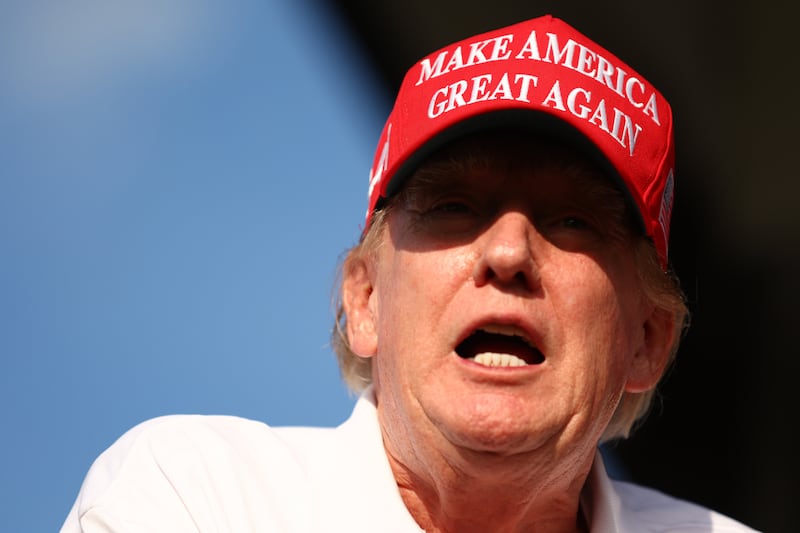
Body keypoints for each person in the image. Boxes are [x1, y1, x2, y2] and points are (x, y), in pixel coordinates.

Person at [62, 15, 757, 532]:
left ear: (648, 338)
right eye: (454, 207)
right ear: (364, 299)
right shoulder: (197, 497)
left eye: (573, 220)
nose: (509, 251)